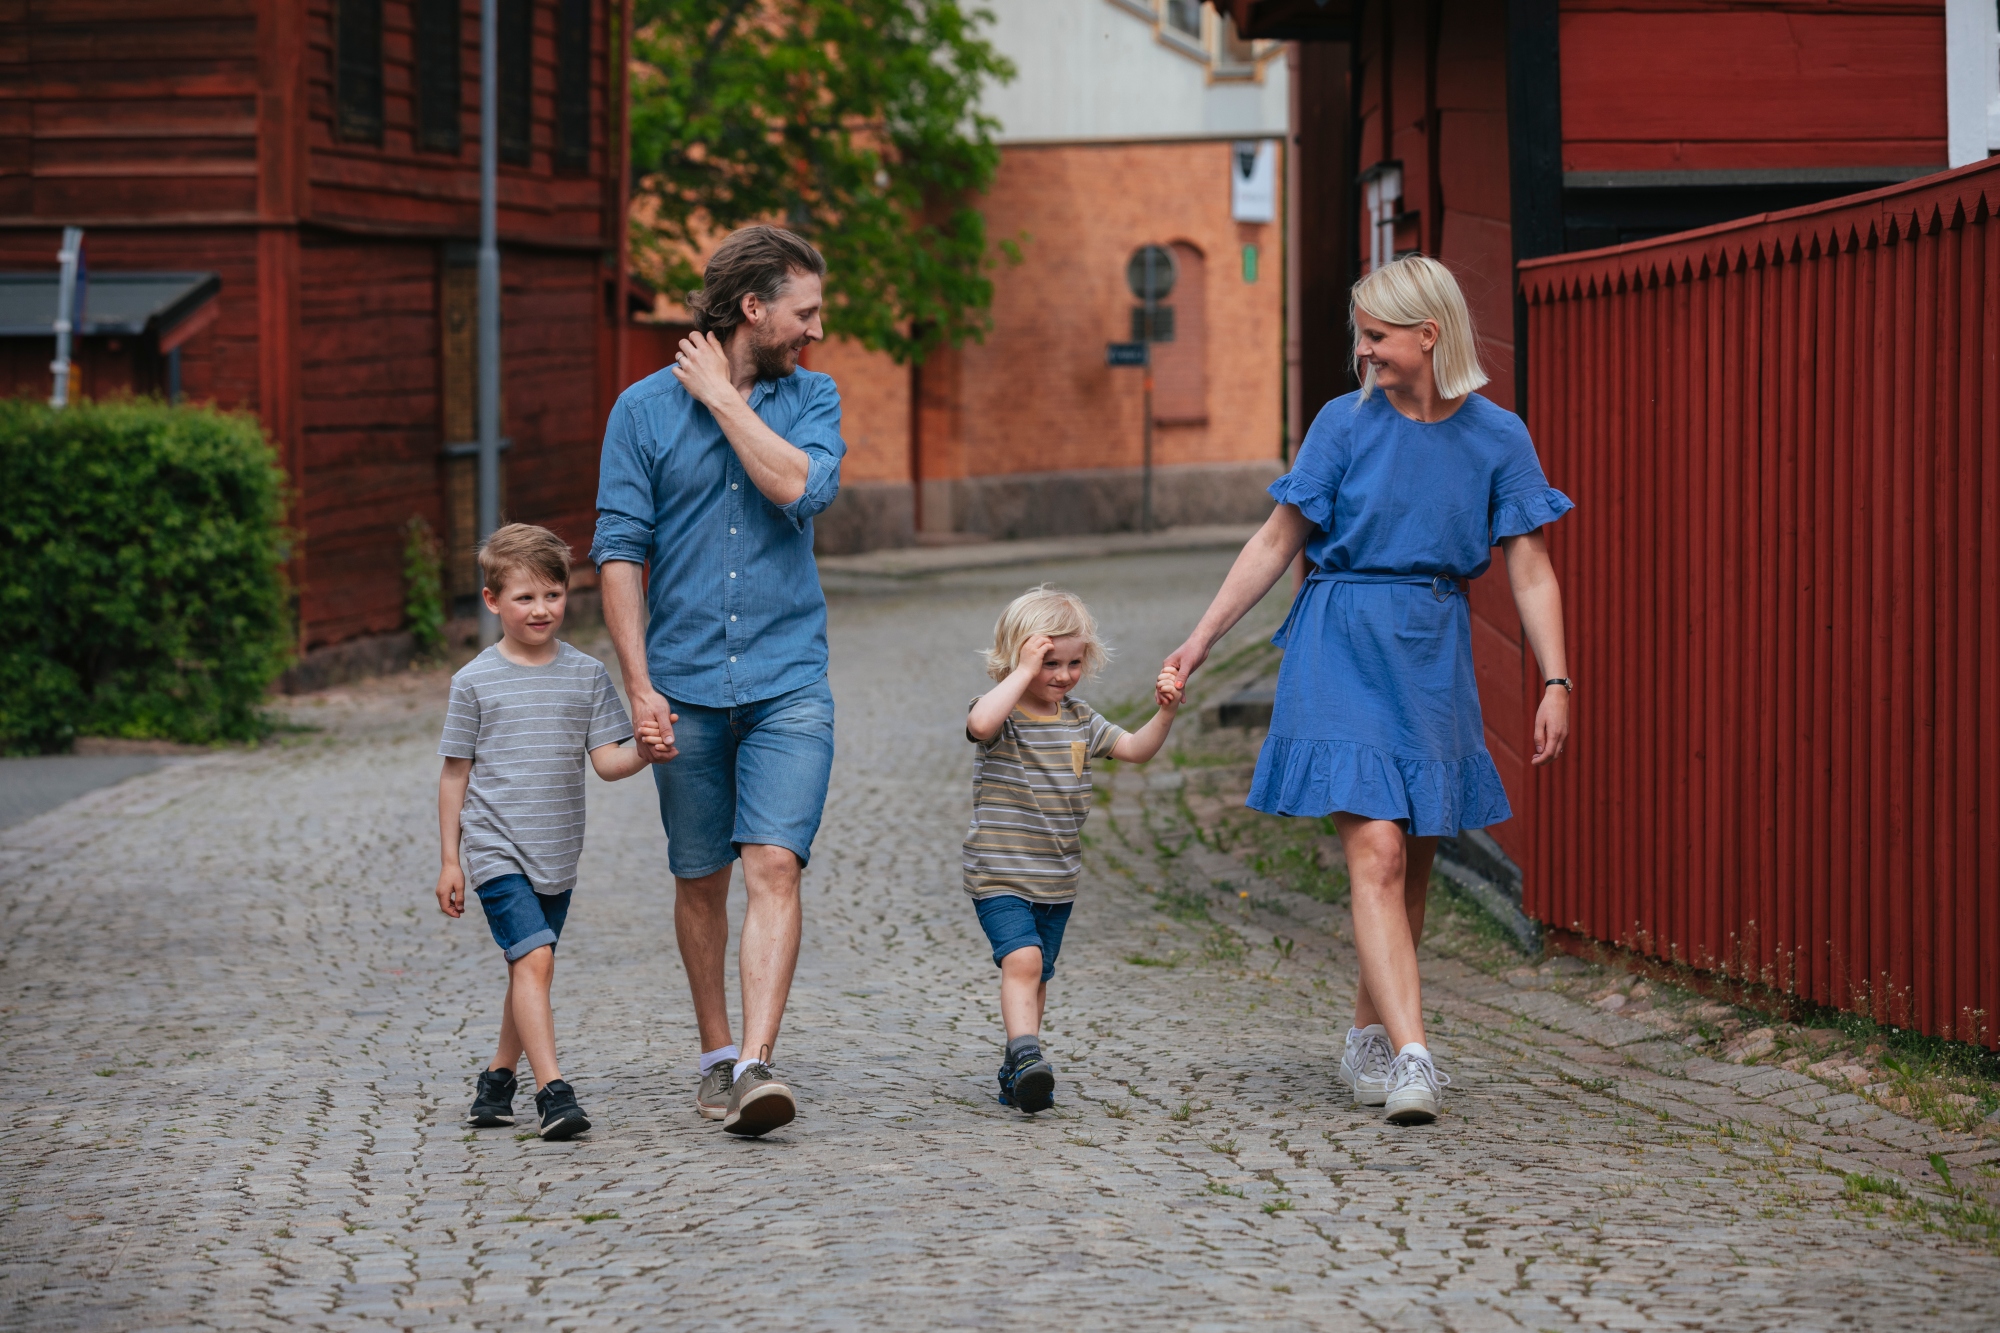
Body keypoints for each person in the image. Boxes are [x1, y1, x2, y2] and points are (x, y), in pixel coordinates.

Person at [1163, 254, 1573, 1127]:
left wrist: (1556, 677)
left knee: (1412, 862)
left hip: (1432, 651)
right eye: (1362, 334)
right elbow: (1277, 541)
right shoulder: (1342, 425)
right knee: (1377, 852)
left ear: (1430, 334)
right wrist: (1200, 640)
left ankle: (1366, 1035)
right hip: (1340, 639)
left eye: (1377, 335)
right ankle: (1417, 1054)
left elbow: (1531, 570)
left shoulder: (1499, 436)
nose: (1363, 351)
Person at [591, 225, 845, 1137]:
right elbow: (619, 552)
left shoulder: (813, 397)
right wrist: (639, 683)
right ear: (753, 308)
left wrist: (723, 398)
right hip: (685, 684)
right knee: (699, 873)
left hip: (788, 679)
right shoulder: (641, 413)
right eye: (804, 311)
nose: (816, 329)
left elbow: (800, 488)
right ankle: (713, 1052)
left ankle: (756, 1063)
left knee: (774, 861)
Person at [435, 523, 666, 1140]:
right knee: (533, 958)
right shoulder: (474, 682)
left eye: (552, 596)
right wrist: (451, 860)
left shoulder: (587, 676)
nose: (541, 610)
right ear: (492, 601)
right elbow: (454, 775)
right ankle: (552, 1093)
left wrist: (643, 752)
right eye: (524, 598)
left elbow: (607, 762)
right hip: (494, 847)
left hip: (557, 849)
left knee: (529, 967)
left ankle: (496, 1081)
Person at [964, 586, 1185, 1113]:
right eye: (1048, 663)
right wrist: (1020, 673)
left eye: (1073, 662)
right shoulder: (1003, 715)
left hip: (1057, 878)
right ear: (1018, 657)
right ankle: (1025, 1054)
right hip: (999, 873)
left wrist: (1166, 714)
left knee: (1036, 971)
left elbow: (1134, 749)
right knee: (1023, 958)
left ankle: (1018, 1070)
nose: (1062, 675)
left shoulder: (1081, 720)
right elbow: (979, 725)